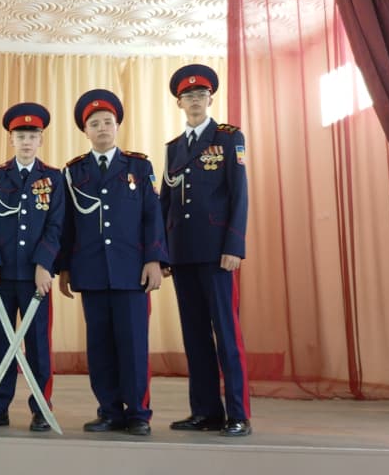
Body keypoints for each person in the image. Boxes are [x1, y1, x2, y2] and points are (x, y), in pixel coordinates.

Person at [56, 89, 167, 436]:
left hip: (131, 271)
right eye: (95, 124)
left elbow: (153, 216)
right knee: (100, 346)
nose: (102, 128)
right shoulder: (73, 172)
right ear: (85, 131)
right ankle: (109, 411)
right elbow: (66, 224)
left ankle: (138, 413)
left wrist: (154, 259)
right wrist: (64, 267)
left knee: (133, 345)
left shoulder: (139, 166)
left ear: (117, 126)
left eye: (107, 122)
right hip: (90, 271)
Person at [160, 64, 251, 437]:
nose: (194, 101)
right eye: (188, 96)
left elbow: (239, 194)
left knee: (226, 334)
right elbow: (166, 203)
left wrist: (234, 246)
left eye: (200, 95)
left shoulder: (228, 138)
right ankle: (205, 411)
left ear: (210, 99)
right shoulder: (173, 148)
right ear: (179, 104)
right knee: (195, 336)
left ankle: (238, 414)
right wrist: (162, 253)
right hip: (182, 253)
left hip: (217, 254)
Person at [0, 102, 64, 432]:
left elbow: (56, 224)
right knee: (0, 344)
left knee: (38, 344)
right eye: (20, 136)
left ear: (41, 140)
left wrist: (44, 265)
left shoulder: (53, 178)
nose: (26, 142)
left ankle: (41, 407)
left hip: (36, 276)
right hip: (3, 276)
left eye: (32, 136)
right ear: (11, 140)